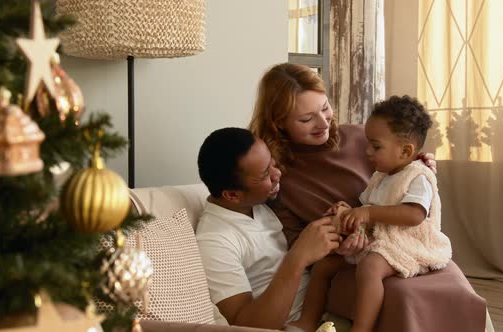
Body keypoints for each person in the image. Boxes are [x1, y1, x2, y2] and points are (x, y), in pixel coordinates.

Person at [249, 63, 487, 332]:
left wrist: (421, 166)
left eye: (325, 107)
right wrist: (341, 242)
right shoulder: (278, 176)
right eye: (306, 119)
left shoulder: (362, 137)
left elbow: (403, 171)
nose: (323, 122)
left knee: (454, 291)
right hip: (347, 263)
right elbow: (298, 243)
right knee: (402, 295)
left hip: (401, 243)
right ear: (278, 122)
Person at [195, 127, 350, 331]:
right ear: (232, 195)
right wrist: (298, 257)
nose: (278, 174)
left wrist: (340, 219)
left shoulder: (259, 203)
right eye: (265, 174)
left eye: (272, 163)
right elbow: (247, 326)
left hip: (326, 306)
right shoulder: (215, 241)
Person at [331, 95, 452, 332]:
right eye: (367, 143)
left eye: (375, 146)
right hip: (383, 238)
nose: (367, 151)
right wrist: (346, 210)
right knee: (326, 264)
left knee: (370, 267)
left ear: (406, 151)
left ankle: (361, 328)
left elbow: (413, 216)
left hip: (410, 242)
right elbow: (365, 207)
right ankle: (307, 317)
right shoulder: (380, 177)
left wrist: (367, 213)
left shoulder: (418, 177)